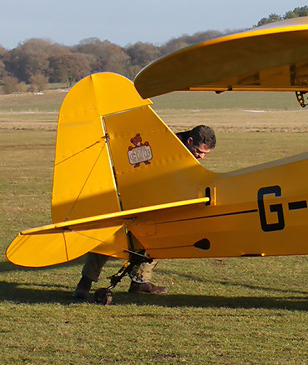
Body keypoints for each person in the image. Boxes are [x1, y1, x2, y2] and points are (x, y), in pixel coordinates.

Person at [72, 125, 216, 299]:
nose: (200, 156)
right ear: (190, 140)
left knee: (157, 233)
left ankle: (140, 282)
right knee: (109, 233)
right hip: (128, 191)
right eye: (199, 151)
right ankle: (85, 283)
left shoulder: (187, 151)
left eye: (204, 154)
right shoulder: (162, 144)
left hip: (156, 197)